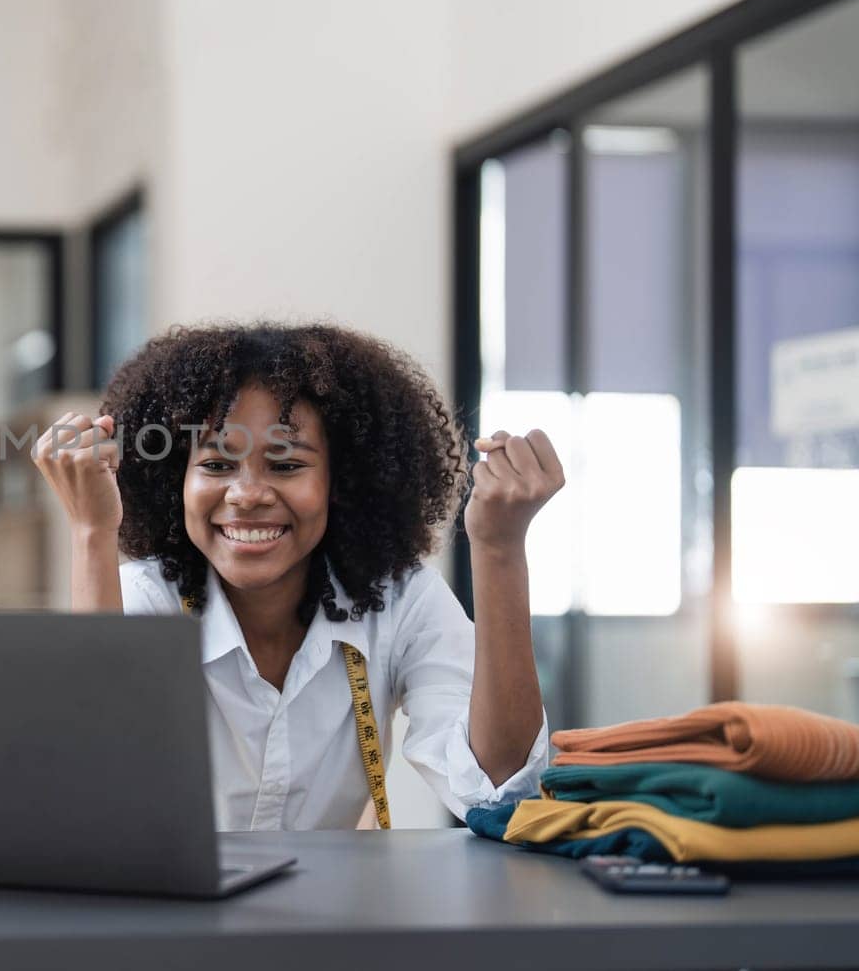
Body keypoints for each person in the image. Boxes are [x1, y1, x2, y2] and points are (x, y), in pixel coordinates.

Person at [32, 322, 561, 830]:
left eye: (285, 466)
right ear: (176, 480)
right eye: (216, 465)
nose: (246, 495)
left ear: (342, 481)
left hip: (326, 915)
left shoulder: (399, 603)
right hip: (169, 917)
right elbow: (94, 785)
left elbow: (496, 790)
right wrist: (90, 532)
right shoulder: (144, 603)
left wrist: (499, 549)